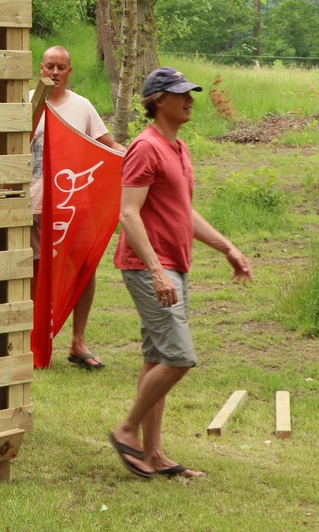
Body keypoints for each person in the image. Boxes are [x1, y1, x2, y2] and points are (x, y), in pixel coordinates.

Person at [108, 67, 252, 480]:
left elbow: (182, 212)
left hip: (175, 265)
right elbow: (128, 214)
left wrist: (228, 247)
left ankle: (153, 454)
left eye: (190, 92)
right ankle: (125, 430)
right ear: (158, 101)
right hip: (150, 267)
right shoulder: (145, 147)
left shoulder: (178, 148)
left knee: (157, 357)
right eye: (179, 93)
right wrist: (156, 272)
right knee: (179, 358)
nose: (189, 98)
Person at [30, 45, 123, 370]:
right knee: (35, 272)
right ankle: (34, 340)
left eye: (62, 68)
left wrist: (142, 161)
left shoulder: (82, 107)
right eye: (50, 66)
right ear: (41, 68)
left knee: (85, 269)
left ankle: (77, 341)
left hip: (74, 205)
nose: (55, 73)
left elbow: (109, 147)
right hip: (34, 204)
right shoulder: (26, 102)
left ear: (70, 72)